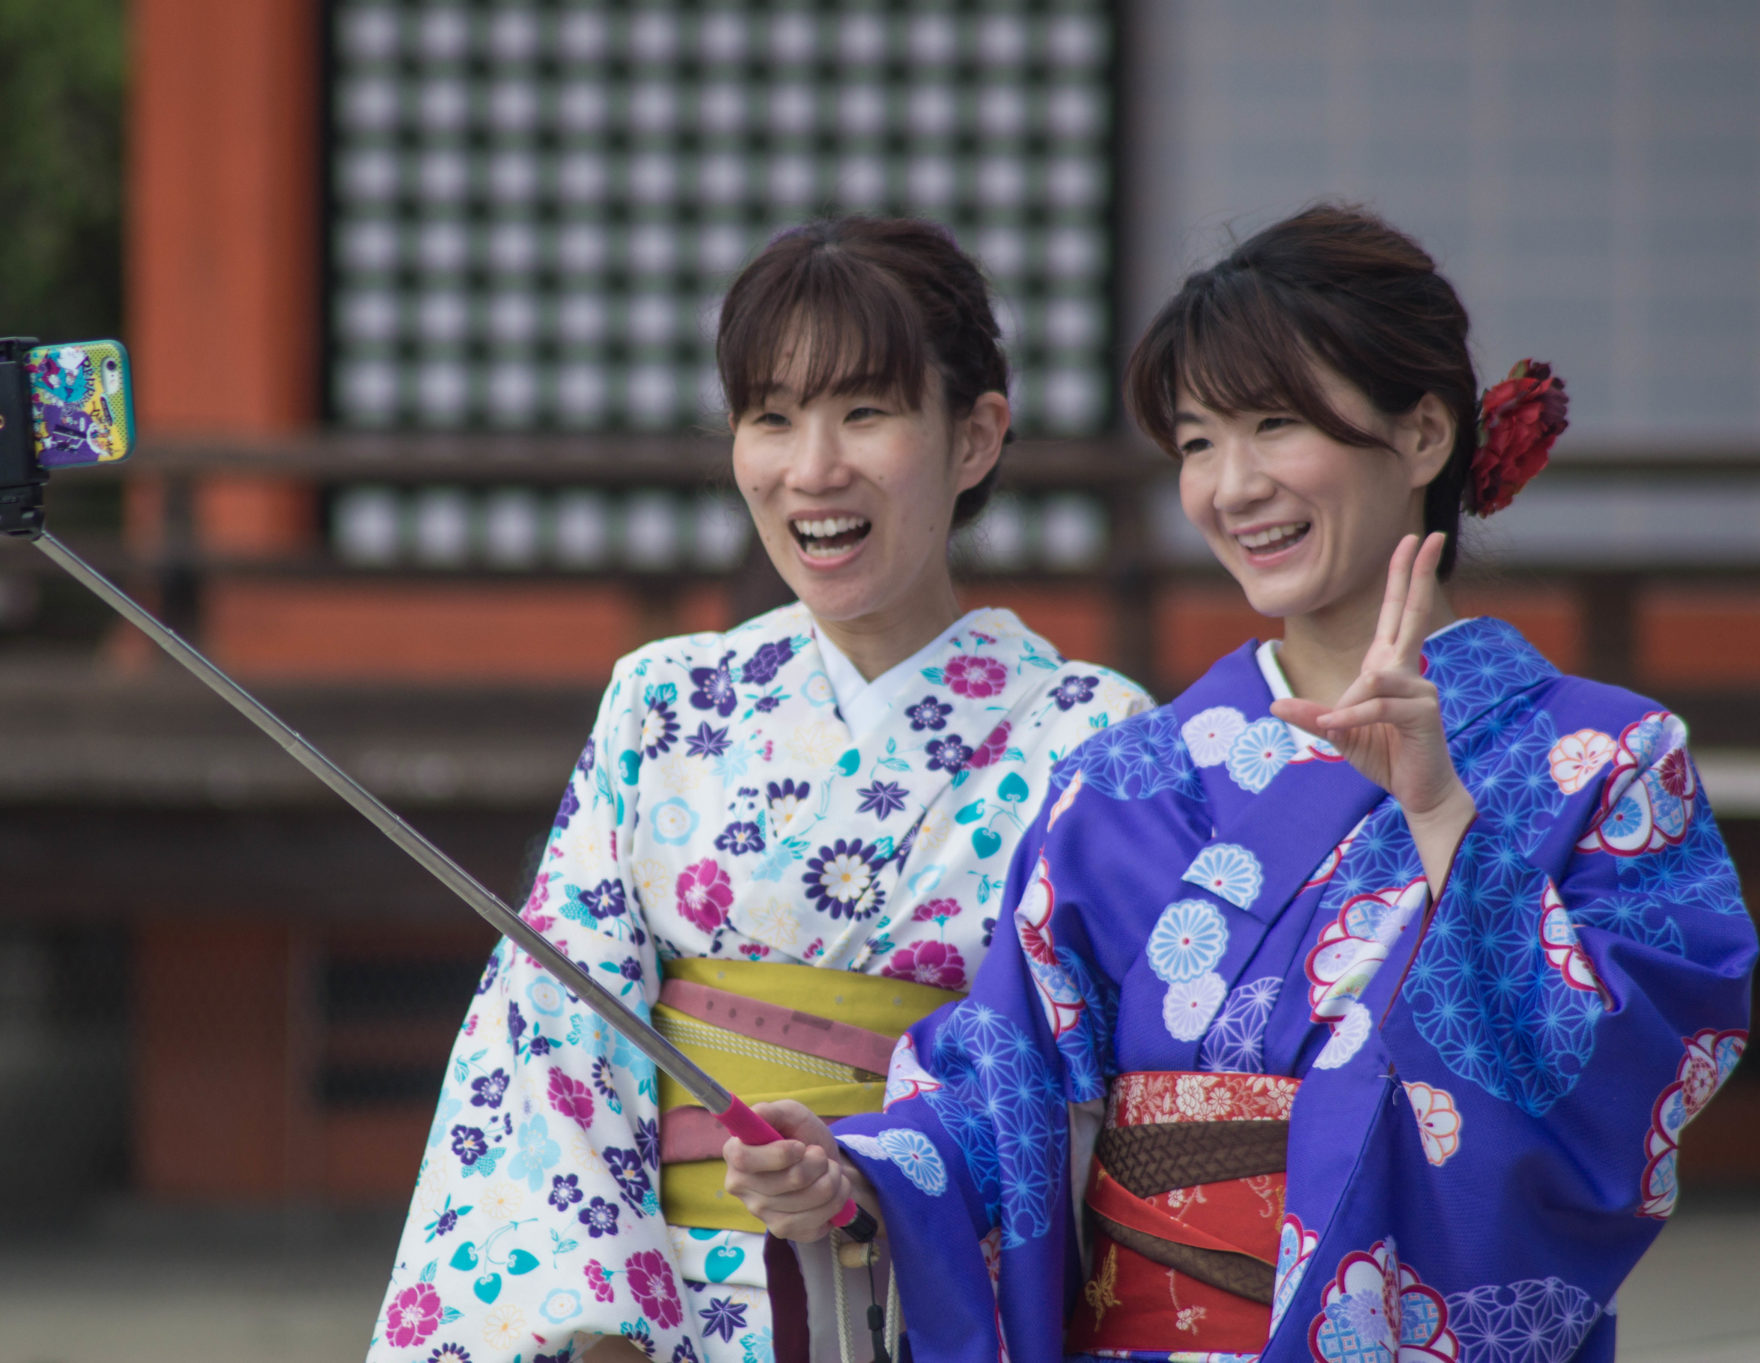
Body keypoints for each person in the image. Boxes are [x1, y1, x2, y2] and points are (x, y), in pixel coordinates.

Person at [725, 204, 1757, 1363]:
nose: (1232, 485)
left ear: (1422, 434)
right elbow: (1006, 1089)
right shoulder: (1123, 780)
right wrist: (858, 1170)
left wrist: (1442, 818)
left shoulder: (1603, 764)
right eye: (1198, 441)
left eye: (1274, 424)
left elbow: (1618, 1103)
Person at [366, 216, 1151, 1363]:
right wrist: (600, 1328)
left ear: (975, 436)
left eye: (864, 412)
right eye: (770, 417)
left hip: (939, 1309)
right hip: (666, 1306)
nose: (811, 467)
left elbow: (1094, 1082)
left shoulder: (1095, 734)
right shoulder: (664, 701)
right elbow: (550, 1027)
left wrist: (877, 1174)